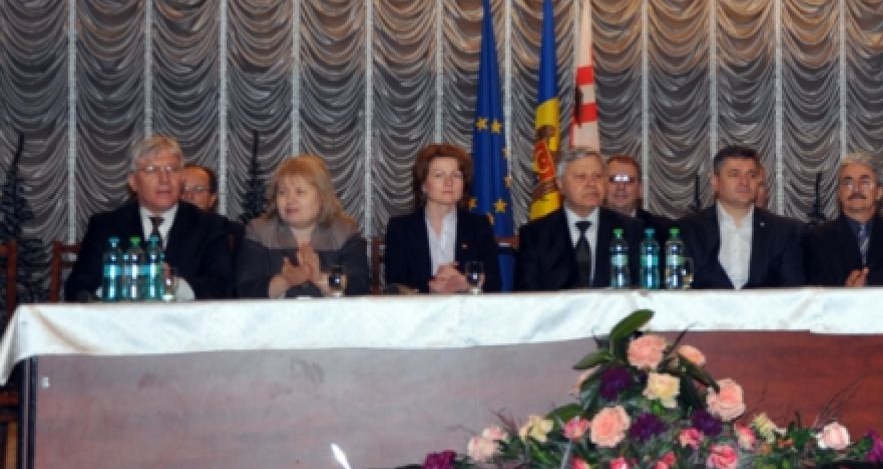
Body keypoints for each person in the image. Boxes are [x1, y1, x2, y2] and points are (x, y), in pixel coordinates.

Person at [65, 134, 234, 301]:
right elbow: (78, 288)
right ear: (133, 182)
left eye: (172, 169)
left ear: (182, 179)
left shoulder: (210, 226)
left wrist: (172, 284)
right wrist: (120, 286)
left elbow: (223, 287)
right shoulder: (105, 225)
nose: (164, 179)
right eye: (152, 170)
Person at [236, 154, 370, 298]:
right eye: (282, 192)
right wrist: (285, 281)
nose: (290, 199)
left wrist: (319, 279)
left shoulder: (345, 233)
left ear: (322, 197)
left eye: (299, 192)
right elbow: (246, 289)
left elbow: (357, 286)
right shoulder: (259, 232)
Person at [680, 144, 806, 289]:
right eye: (734, 174)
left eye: (752, 175)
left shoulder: (785, 231)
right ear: (715, 182)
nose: (744, 182)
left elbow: (794, 291)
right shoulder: (688, 230)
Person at [516, 147, 640, 291]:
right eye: (581, 177)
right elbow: (526, 295)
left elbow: (640, 288)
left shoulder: (630, 229)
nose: (591, 184)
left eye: (598, 176)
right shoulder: (536, 234)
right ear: (560, 184)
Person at [384, 143, 502, 294]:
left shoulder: (479, 226)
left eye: (456, 175)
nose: (449, 182)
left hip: (467, 307)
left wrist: (464, 283)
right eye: (439, 175)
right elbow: (395, 286)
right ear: (423, 185)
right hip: (418, 307)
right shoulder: (400, 228)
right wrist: (433, 285)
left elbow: (495, 284)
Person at [804, 153, 883, 287]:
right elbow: (815, 291)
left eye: (864, 182)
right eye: (848, 183)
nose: (856, 188)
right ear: (839, 193)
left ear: (879, 192)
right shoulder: (818, 238)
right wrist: (845, 291)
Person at [180, 162, 245, 253]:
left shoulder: (231, 233)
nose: (189, 196)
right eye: (182, 189)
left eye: (198, 190)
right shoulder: (164, 231)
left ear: (212, 198)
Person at [603, 153, 674, 236]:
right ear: (603, 187)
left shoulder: (663, 230)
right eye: (614, 180)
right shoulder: (593, 228)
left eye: (629, 181)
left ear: (640, 189)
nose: (621, 187)